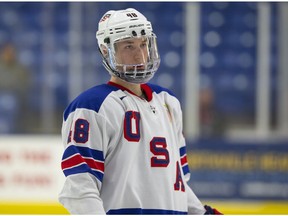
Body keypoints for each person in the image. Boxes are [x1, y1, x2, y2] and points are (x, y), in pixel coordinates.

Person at [59, 8, 222, 215]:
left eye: (143, 44)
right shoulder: (92, 107)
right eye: (128, 46)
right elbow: (80, 187)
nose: (140, 55)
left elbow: (176, 182)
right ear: (106, 50)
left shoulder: (168, 102)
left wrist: (200, 213)